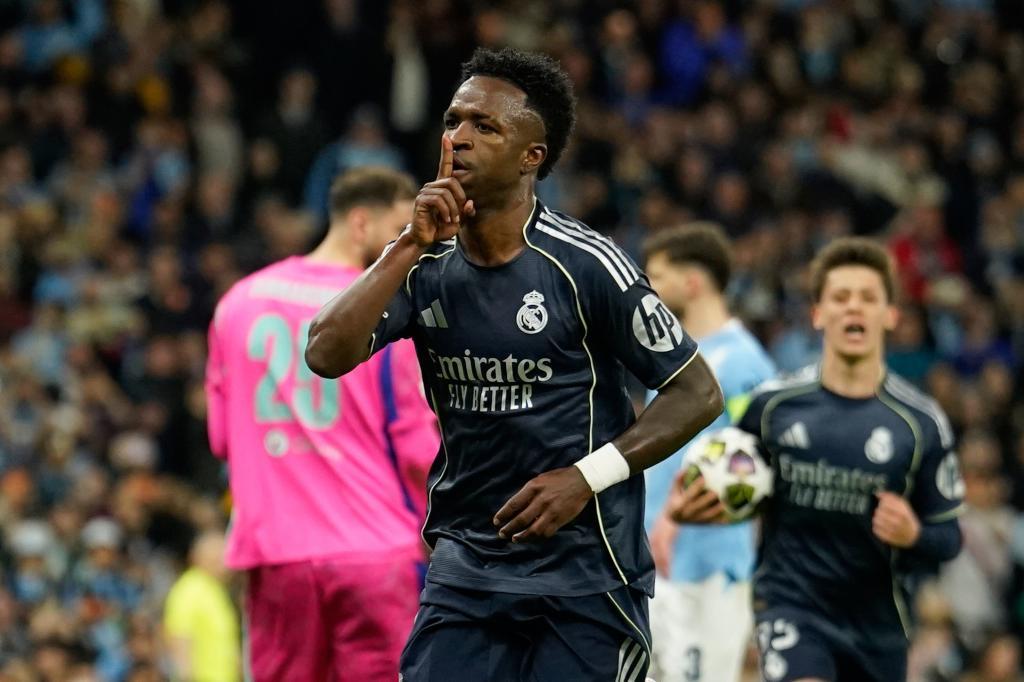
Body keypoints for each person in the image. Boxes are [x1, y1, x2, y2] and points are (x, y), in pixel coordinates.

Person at [306, 47, 724, 682]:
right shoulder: (424, 264)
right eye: (453, 121)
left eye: (485, 126)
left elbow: (697, 392)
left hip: (587, 577)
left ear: (533, 156)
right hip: (465, 572)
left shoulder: (587, 264)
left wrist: (585, 477)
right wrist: (407, 245)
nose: (459, 138)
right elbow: (324, 352)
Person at [669, 237, 964, 682]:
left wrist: (914, 533)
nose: (853, 308)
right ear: (818, 314)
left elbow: (949, 537)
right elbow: (725, 476)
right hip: (791, 606)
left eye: (868, 298)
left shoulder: (920, 423)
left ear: (890, 315)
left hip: (880, 623)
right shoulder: (771, 408)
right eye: (840, 298)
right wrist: (686, 512)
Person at [204, 167, 440, 681]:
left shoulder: (236, 303)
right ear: (361, 224)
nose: (413, 244)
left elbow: (222, 439)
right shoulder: (382, 310)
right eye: (400, 229)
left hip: (276, 552)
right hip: (375, 552)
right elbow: (417, 449)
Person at [641, 223, 776, 682]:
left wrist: (678, 515)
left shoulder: (744, 363)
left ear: (692, 282)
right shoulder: (667, 361)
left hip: (711, 564)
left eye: (657, 276)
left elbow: (757, 459)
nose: (648, 288)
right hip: (653, 564)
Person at [162, 531, 239, 682]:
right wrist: (185, 676)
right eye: (219, 558)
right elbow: (179, 637)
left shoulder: (214, 589)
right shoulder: (190, 588)